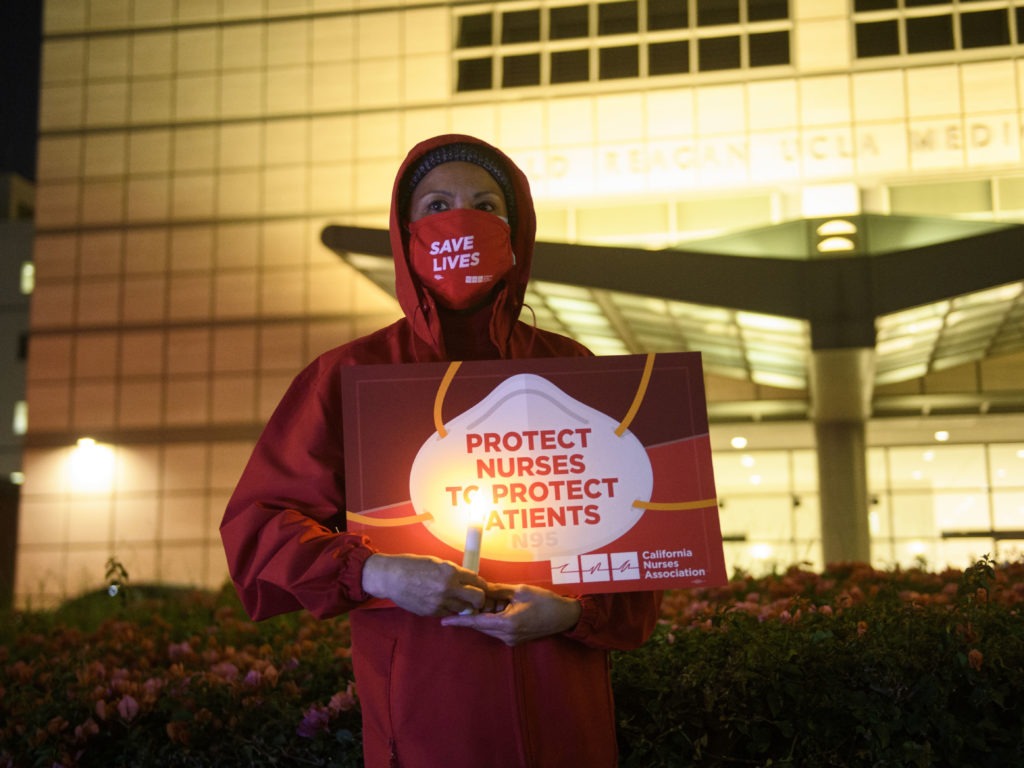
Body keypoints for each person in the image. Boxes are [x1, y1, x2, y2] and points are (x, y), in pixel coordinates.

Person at [220, 134, 662, 768]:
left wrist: (571, 615)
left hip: (570, 728)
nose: (463, 219)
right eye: (438, 204)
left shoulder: (572, 370)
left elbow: (639, 565)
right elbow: (258, 531)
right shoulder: (349, 375)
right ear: (405, 234)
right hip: (427, 729)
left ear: (516, 231)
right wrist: (378, 572)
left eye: (486, 204)